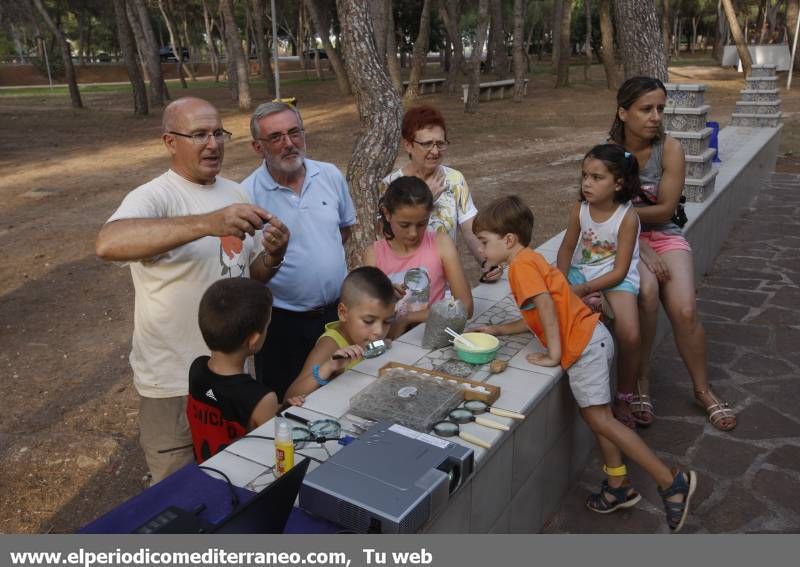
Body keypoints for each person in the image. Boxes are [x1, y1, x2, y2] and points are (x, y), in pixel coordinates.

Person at [471, 195, 697, 533]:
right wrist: (497, 329)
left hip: (583, 347)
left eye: (485, 243)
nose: (482, 252)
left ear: (508, 240)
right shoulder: (529, 260)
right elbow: (535, 316)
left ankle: (670, 480)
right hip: (592, 340)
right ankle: (618, 485)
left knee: (601, 419)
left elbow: (545, 307)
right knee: (598, 418)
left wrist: (553, 353)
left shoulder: (520, 267)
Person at [95, 97, 290, 485]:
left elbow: (247, 280)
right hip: (174, 384)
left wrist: (273, 257)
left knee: (239, 480)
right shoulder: (155, 196)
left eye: (218, 133)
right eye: (199, 134)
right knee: (180, 494)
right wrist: (207, 222)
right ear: (170, 141)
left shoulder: (236, 194)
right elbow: (108, 243)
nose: (213, 144)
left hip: (235, 377)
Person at [610, 76, 736, 431]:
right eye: (645, 109)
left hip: (663, 235)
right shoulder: (607, 154)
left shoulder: (671, 149)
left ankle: (702, 388)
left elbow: (665, 210)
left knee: (684, 308)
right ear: (623, 112)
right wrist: (638, 243)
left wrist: (643, 236)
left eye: (660, 109)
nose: (654, 117)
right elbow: (598, 210)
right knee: (647, 294)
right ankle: (641, 382)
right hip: (622, 239)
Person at [242, 101, 356, 401]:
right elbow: (247, 275)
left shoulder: (329, 175)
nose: (289, 143)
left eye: (295, 132)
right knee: (287, 404)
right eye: (276, 137)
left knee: (344, 392)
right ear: (258, 147)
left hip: (337, 315)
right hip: (282, 326)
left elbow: (343, 229)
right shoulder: (247, 195)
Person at [556, 144, 643, 430]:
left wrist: (585, 289)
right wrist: (563, 280)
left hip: (616, 279)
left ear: (618, 183)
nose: (587, 183)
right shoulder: (580, 210)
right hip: (584, 273)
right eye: (584, 176)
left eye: (596, 177)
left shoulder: (627, 217)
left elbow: (619, 270)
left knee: (630, 334)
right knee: (560, 313)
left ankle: (624, 396)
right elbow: (567, 248)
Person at [381, 105, 502, 283]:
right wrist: (424, 199)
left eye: (440, 143)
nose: (435, 151)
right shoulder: (390, 185)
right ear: (408, 145)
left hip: (448, 287)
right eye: (427, 144)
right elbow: (387, 240)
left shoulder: (454, 180)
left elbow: (471, 230)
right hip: (407, 287)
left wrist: (487, 261)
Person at [365, 176, 473, 338]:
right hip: (392, 341)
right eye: (404, 225)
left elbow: (465, 307)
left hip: (434, 338)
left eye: (422, 224)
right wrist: (384, 295)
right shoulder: (374, 254)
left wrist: (407, 318)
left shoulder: (441, 243)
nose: (413, 233)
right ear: (387, 214)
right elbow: (367, 315)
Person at [187, 278, 279, 463]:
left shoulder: (196, 369)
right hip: (241, 485)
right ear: (253, 339)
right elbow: (273, 453)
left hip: (205, 474)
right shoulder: (262, 398)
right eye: (268, 324)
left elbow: (223, 401)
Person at [284, 267, 396, 403]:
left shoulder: (367, 337)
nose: (379, 331)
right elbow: (289, 397)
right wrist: (329, 367)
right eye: (369, 321)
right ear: (343, 313)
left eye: (387, 322)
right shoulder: (330, 344)